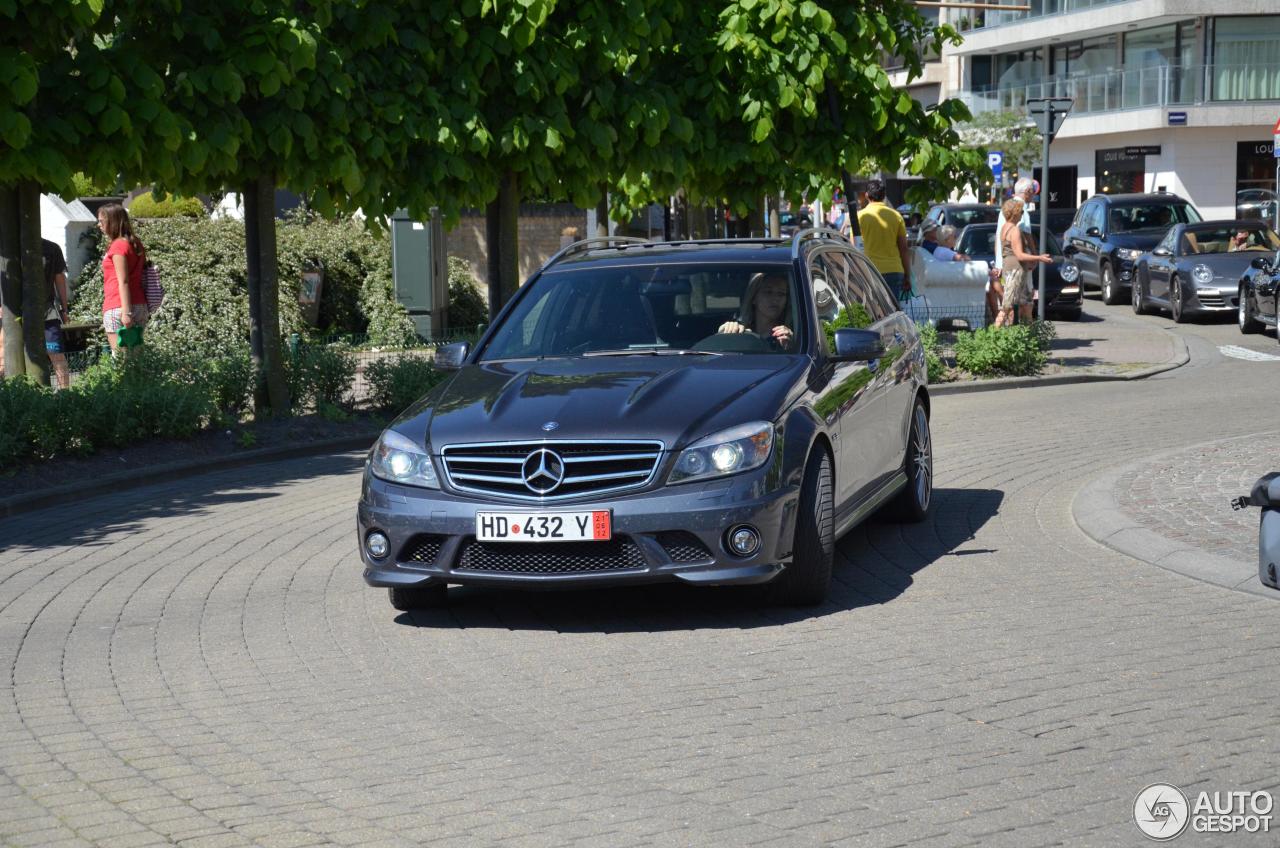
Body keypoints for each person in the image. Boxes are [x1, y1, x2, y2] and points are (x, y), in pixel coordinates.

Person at [97, 203, 149, 353]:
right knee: (135, 358)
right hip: (139, 304)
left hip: (119, 307)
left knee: (120, 360)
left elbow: (123, 281)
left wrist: (126, 313)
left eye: (102, 221)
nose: (99, 225)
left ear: (112, 221)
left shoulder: (118, 246)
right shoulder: (135, 243)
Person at [995, 197, 1051, 327]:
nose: (1022, 214)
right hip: (1016, 271)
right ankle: (992, 337)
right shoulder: (1015, 230)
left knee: (1027, 304)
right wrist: (1039, 257)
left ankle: (1030, 336)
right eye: (1021, 212)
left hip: (1011, 268)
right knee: (1006, 307)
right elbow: (1019, 255)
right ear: (1015, 213)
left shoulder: (1004, 227)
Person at [857, 179, 912, 301]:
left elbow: (854, 247)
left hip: (869, 270)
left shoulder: (860, 217)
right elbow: (904, 249)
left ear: (866, 195)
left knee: (874, 313)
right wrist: (907, 276)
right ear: (884, 196)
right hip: (894, 270)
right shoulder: (896, 216)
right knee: (893, 311)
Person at [718, 272, 795, 350]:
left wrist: (792, 346)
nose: (775, 299)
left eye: (781, 294)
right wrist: (727, 331)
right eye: (768, 292)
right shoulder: (740, 331)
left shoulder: (793, 335)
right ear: (754, 297)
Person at [42, 238, 70, 389]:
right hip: (14, 314)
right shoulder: (8, 249)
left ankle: (66, 396)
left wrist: (64, 309)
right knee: (4, 354)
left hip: (48, 312)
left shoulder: (51, 248)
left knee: (56, 355)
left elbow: (59, 279)